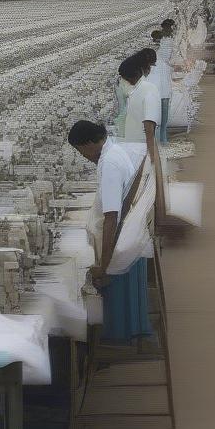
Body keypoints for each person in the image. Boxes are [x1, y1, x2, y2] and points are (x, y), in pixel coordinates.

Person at [67, 120, 153, 344]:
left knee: (118, 298)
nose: (83, 156)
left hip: (120, 240)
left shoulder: (110, 164)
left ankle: (120, 341)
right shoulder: (114, 151)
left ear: (87, 144)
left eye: (80, 151)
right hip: (128, 233)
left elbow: (111, 217)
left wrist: (104, 265)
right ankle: (131, 334)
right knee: (129, 300)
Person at [156, 19, 176, 143]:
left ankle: (161, 139)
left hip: (159, 85)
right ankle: (162, 139)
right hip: (162, 85)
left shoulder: (163, 43)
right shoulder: (169, 43)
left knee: (159, 115)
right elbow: (171, 60)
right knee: (162, 115)